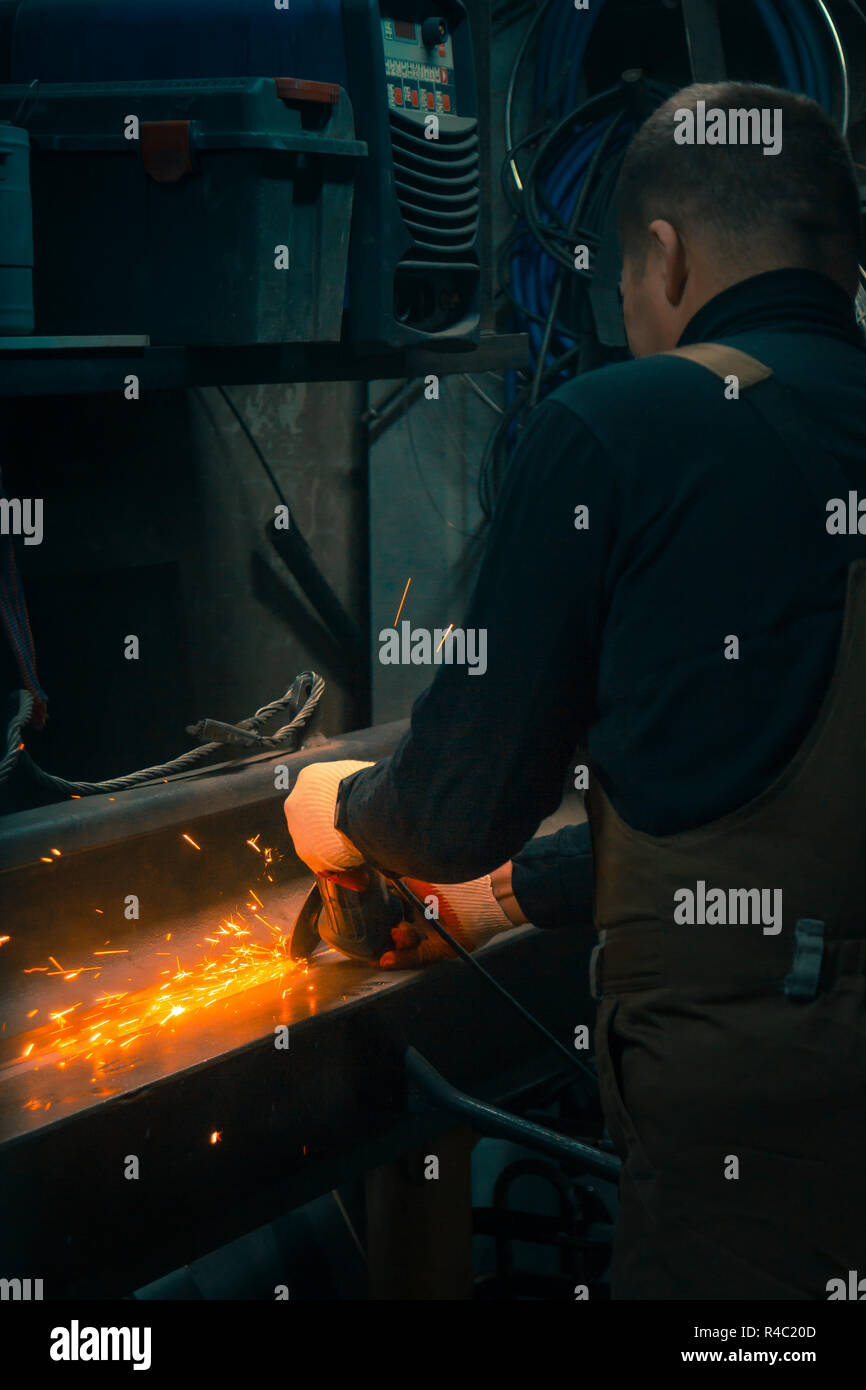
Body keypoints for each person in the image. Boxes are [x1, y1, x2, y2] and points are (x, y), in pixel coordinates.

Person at [285, 81, 866, 1299]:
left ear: (662, 254)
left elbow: (451, 808)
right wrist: (509, 896)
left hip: (763, 1139)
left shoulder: (619, 426)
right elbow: (761, 795)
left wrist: (340, 810)